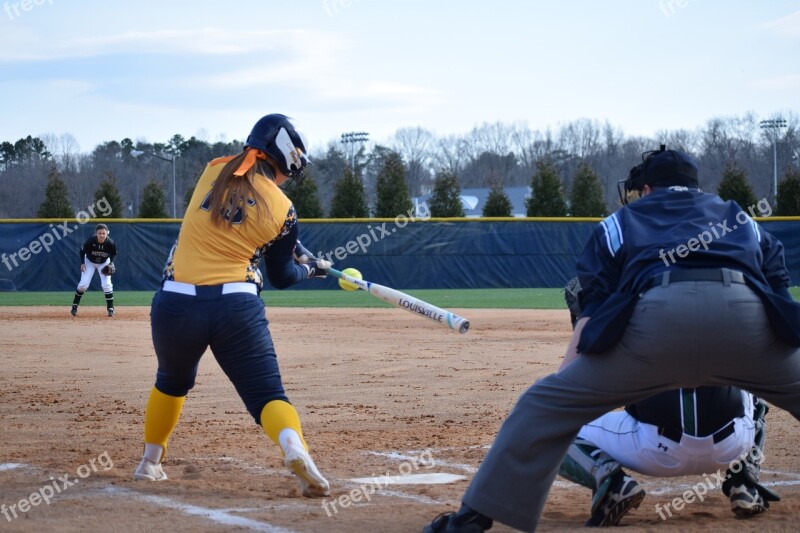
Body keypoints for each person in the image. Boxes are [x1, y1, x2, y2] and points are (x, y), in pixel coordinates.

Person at [423, 146, 800, 532]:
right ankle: (744, 474)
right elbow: (779, 296)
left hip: (657, 322)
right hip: (743, 319)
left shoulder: (622, 220)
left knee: (542, 405)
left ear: (648, 188)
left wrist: (564, 387)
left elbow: (592, 311)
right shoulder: (739, 217)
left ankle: (472, 520)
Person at [134, 114, 333, 498]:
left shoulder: (215, 169)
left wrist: (293, 250)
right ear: (287, 158)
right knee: (268, 396)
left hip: (175, 303)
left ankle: (149, 463)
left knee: (171, 383)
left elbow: (232, 217)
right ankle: (294, 448)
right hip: (234, 307)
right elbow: (281, 276)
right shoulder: (284, 210)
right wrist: (308, 270)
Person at [561, 276, 778, 527]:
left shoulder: (624, 320)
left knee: (555, 424)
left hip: (654, 450)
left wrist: (589, 321)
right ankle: (744, 482)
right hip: (730, 445)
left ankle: (613, 483)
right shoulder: (720, 305)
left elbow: (583, 391)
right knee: (753, 394)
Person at [71, 223, 116, 317]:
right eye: (100, 233)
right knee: (83, 284)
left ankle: (110, 308)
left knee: (107, 284)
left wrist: (111, 262)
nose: (102, 235)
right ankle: (74, 305)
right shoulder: (91, 241)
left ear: (107, 233)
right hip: (89, 262)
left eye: (104, 233)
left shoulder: (110, 243)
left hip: (104, 263)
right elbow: (82, 251)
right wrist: (82, 263)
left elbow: (113, 253)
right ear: (96, 233)